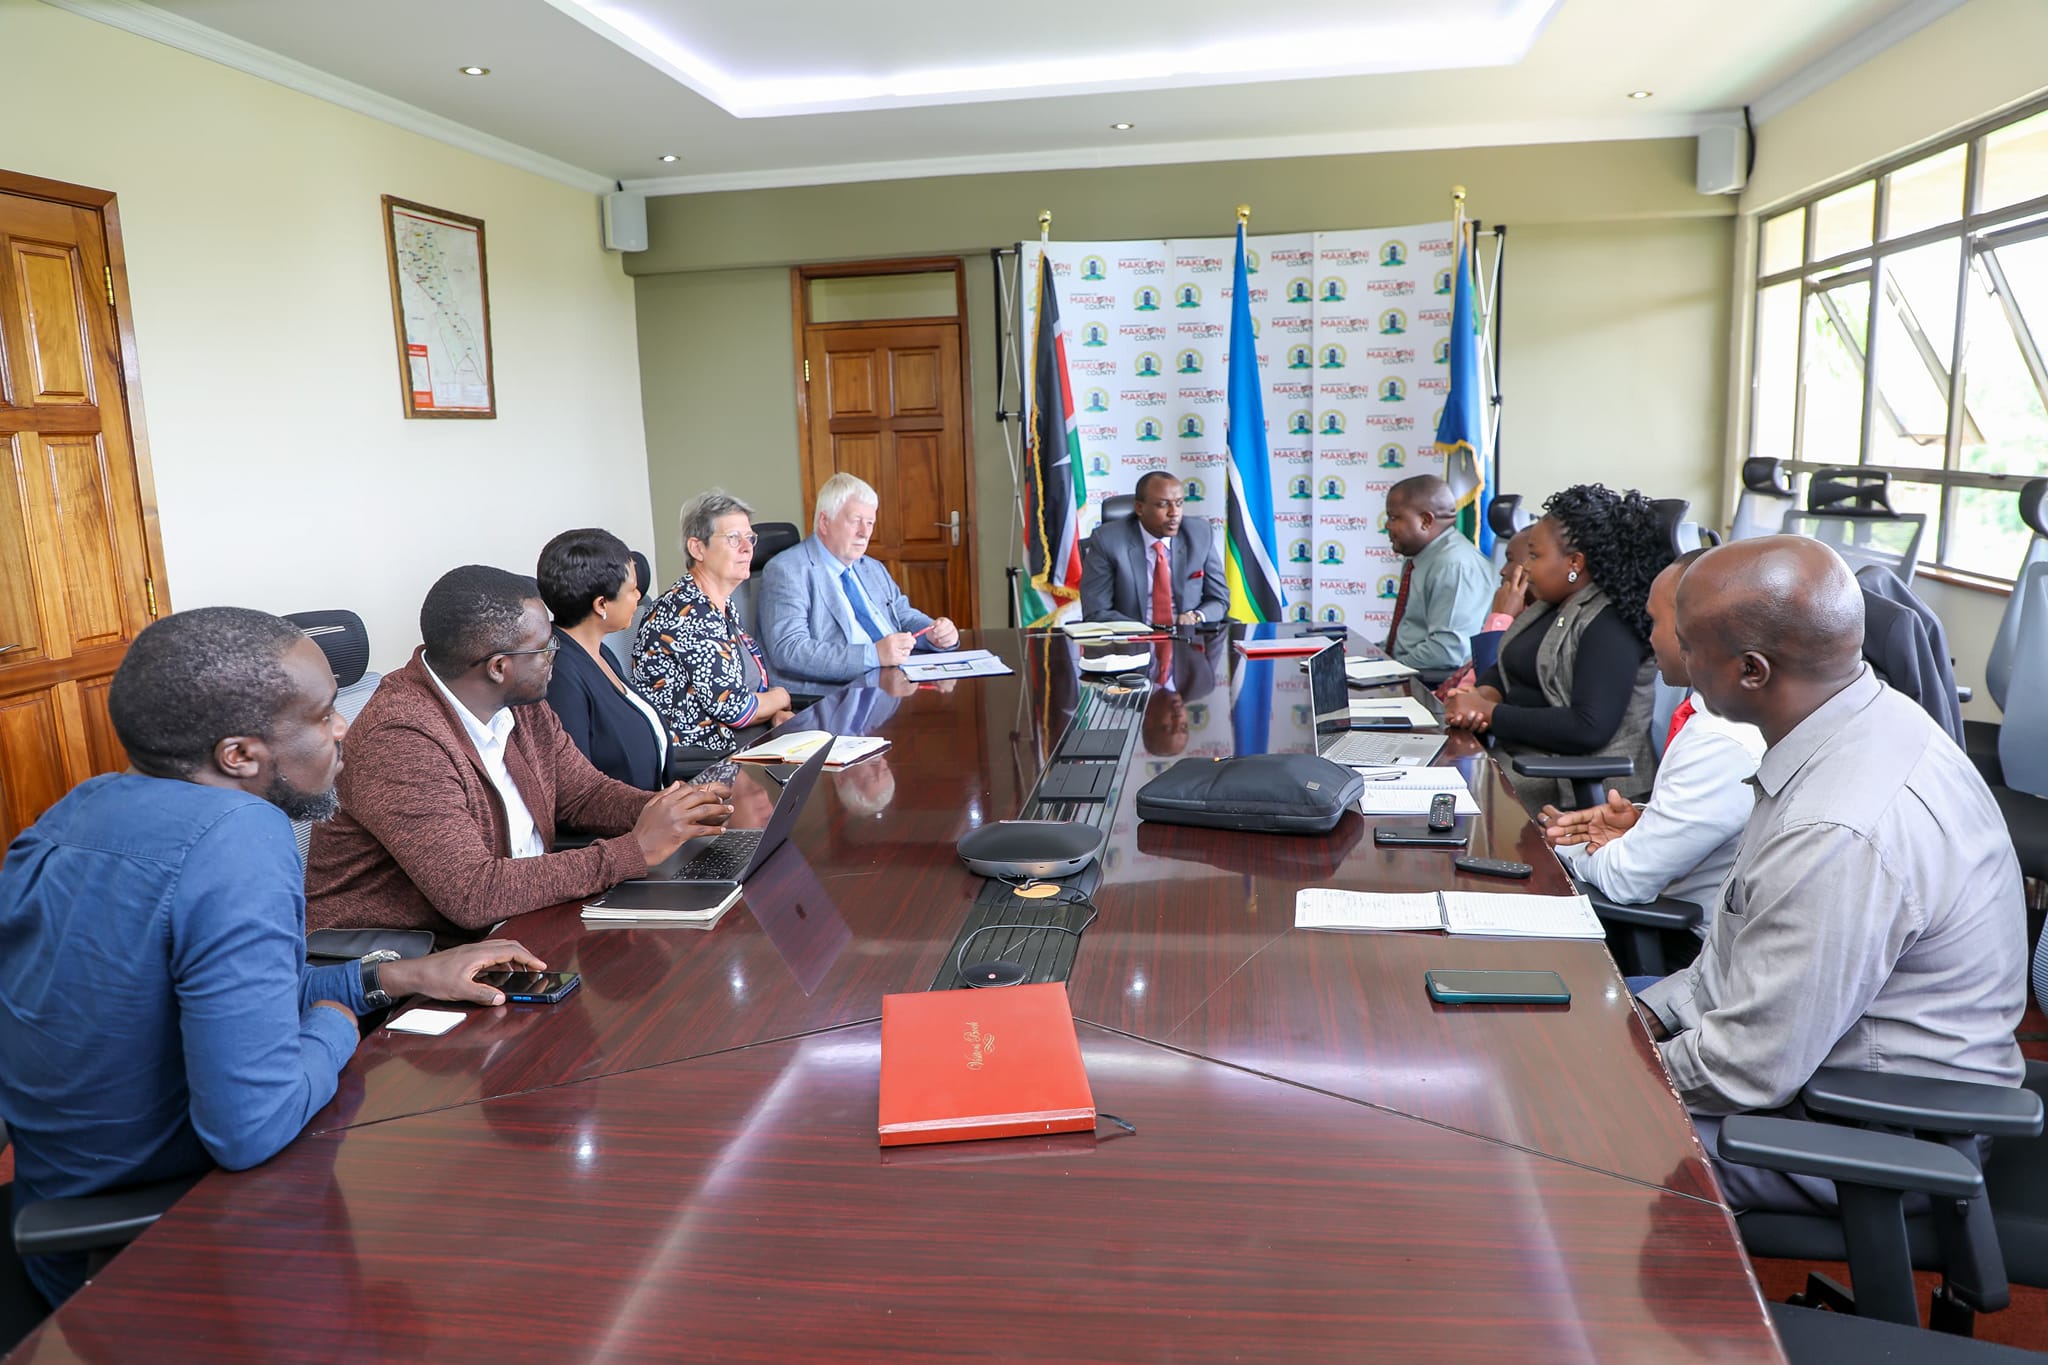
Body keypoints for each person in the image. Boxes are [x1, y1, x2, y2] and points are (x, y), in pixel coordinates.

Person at [0, 608, 546, 1306]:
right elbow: (248, 1127)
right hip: (162, 1253)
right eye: (322, 715)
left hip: (60, 1211)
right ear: (239, 755)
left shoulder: (80, 808)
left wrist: (393, 977)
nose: (343, 729)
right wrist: (334, 1027)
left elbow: (218, 997)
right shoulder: (241, 834)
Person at [1634, 537, 2025, 1212]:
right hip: (1822, 1072)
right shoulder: (1858, 722)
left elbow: (1745, 1068)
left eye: (1689, 646)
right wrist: (1649, 1013)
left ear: (1751, 671)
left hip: (1873, 1132)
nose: (1677, 660)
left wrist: (1613, 1069)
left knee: (1569, 1132)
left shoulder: (1837, 826)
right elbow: (1733, 958)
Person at [307, 566, 733, 940]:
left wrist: (672, 811)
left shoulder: (520, 704)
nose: (555, 655)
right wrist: (634, 851)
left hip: (522, 924)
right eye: (545, 647)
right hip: (416, 959)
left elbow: (584, 793)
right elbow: (472, 892)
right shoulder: (400, 739)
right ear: (499, 667)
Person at [1541, 550, 1766, 925]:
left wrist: (1569, 846)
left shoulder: (1722, 741)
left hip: (1680, 941)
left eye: (1655, 621)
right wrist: (1643, 822)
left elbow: (1626, 880)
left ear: (1692, 630)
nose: (1649, 638)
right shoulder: (1716, 716)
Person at [1442, 484, 1668, 809]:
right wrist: (1484, 695)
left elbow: (1589, 727)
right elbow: (1507, 667)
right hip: (1522, 761)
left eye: (1535, 555)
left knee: (1445, 797)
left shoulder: (1610, 622)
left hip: (1573, 783)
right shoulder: (1549, 606)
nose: (1526, 567)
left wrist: (1490, 713)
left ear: (1575, 562)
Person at [756, 473, 960, 690]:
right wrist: (873, 655)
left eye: (870, 523)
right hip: (838, 693)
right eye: (855, 521)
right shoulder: (788, 571)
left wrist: (932, 633)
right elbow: (790, 650)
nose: (864, 533)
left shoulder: (871, 567)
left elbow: (902, 615)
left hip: (893, 681)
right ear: (824, 522)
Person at [636, 490, 799, 758]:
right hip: (710, 755)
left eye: (750, 538)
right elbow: (735, 710)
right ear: (697, 548)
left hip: (747, 739)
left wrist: (774, 714)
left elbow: (743, 690)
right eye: (733, 538)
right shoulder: (687, 613)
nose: (747, 548)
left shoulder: (719, 604)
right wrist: (781, 697)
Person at [538, 528, 672, 790]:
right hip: (622, 815)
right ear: (601, 605)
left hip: (654, 806)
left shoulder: (601, 653)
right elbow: (576, 785)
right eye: (632, 590)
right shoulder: (560, 676)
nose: (638, 597)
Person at [1080, 471, 1229, 624]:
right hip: (1131, 636)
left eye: (1179, 503)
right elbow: (1096, 611)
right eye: (1163, 505)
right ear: (1139, 508)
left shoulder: (1199, 534)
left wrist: (1196, 617)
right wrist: (1143, 631)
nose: (1174, 513)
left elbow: (1220, 599)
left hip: (1188, 634)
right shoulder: (1108, 540)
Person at [1380, 474, 1495, 673]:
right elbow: (1410, 636)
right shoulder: (1420, 557)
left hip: (1434, 681)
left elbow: (1447, 650)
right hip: (1410, 670)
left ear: (1425, 520)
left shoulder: (1454, 564)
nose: (1387, 526)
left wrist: (1387, 670)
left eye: (1394, 517)